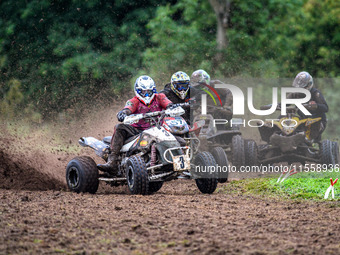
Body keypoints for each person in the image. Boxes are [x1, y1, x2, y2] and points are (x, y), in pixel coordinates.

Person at [98, 75, 172, 174]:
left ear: (153, 90)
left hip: (158, 129)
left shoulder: (160, 97)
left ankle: (186, 158)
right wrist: (123, 113)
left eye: (149, 92)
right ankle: (112, 161)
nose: (146, 95)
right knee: (119, 127)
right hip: (137, 130)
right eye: (143, 92)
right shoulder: (134, 101)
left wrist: (173, 107)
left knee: (179, 135)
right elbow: (128, 108)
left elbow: (168, 104)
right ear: (138, 91)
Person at [290, 71, 328, 142]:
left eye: (302, 87)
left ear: (308, 85)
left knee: (311, 131)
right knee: (285, 117)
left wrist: (315, 106)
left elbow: (325, 108)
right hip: (302, 121)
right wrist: (273, 106)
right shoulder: (295, 94)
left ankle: (312, 142)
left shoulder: (315, 93)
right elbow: (283, 104)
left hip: (317, 121)